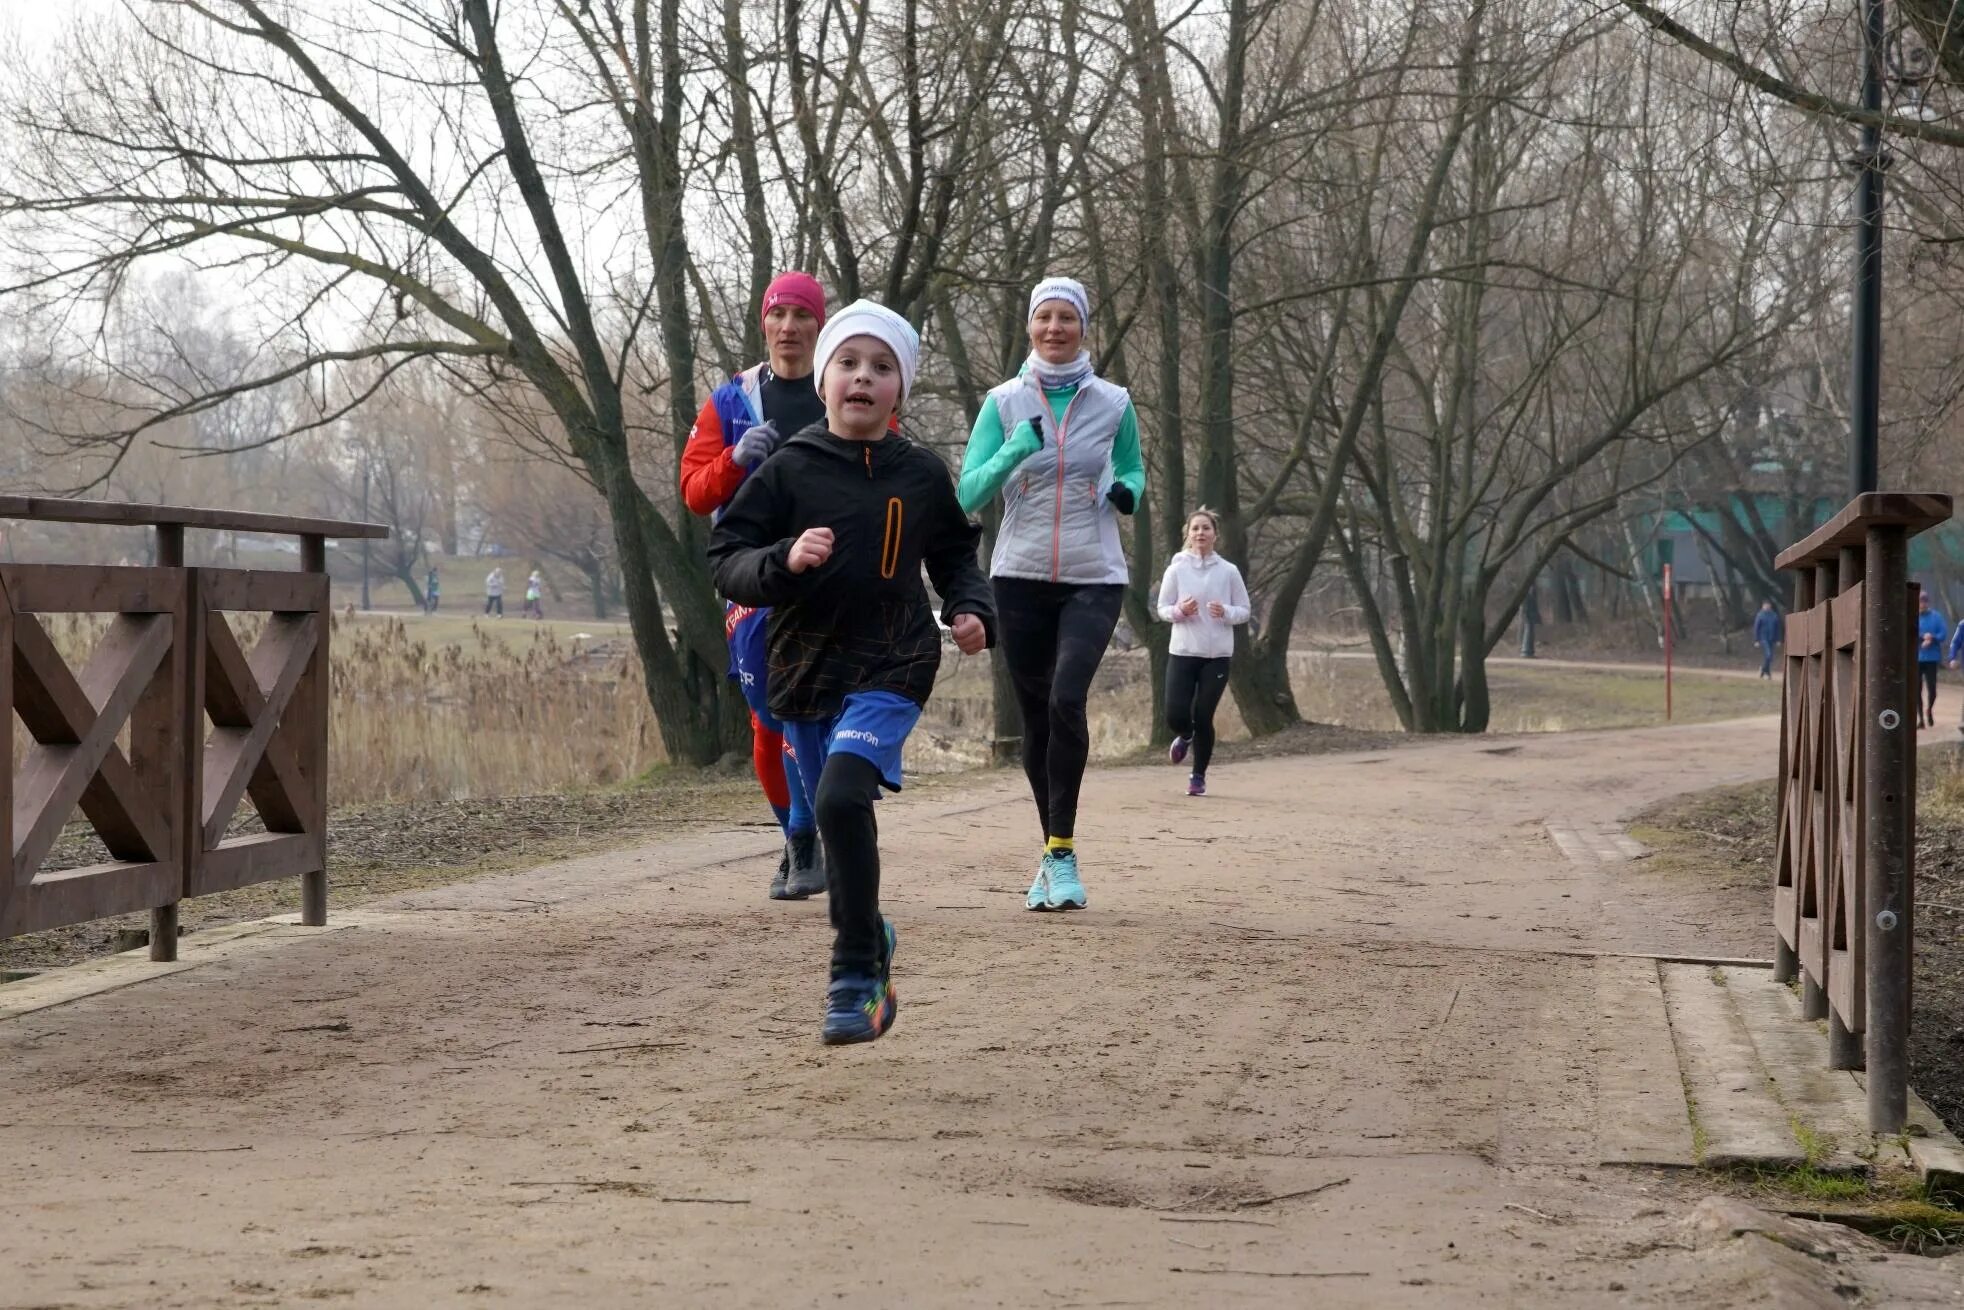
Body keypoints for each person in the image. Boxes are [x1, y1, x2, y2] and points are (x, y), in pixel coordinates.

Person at [709, 300, 995, 1045]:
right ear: (826, 378)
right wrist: (781, 560)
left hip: (892, 660)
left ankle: (853, 971)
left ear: (899, 388)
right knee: (839, 822)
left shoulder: (922, 473)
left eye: (881, 367)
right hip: (803, 668)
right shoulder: (788, 467)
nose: (862, 377)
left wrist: (970, 608)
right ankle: (872, 934)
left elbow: (957, 554)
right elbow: (726, 559)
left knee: (839, 797)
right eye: (849, 364)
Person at [957, 275, 1145, 913]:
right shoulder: (1003, 402)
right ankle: (1054, 850)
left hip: (1095, 577)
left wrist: (1127, 492)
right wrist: (1014, 451)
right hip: (1019, 577)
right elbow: (967, 493)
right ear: (1030, 326)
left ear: (1083, 328)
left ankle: (1060, 851)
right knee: (1036, 717)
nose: (1055, 328)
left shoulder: (1114, 403)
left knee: (1068, 697)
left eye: (1068, 317)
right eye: (1045, 317)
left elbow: (1133, 469)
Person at [681, 272, 831, 900]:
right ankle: (797, 837)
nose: (789, 328)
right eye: (779, 315)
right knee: (769, 722)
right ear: (764, 323)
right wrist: (736, 459)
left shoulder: (845, 386)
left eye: (802, 315)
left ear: (819, 326)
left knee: (824, 710)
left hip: (829, 572)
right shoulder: (732, 399)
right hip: (753, 573)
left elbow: (892, 468)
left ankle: (817, 830)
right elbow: (694, 494)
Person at [1156, 508, 1250, 797]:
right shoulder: (1176, 569)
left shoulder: (1228, 571)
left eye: (1206, 528)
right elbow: (1162, 609)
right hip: (1183, 651)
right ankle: (1185, 736)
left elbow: (1244, 611)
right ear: (1188, 534)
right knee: (1175, 714)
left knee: (1203, 714)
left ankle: (1198, 777)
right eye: (1195, 528)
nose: (1200, 533)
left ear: (1215, 535)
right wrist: (1180, 611)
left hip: (1217, 655)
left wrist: (1226, 612)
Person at [1917, 589, 1947, 728]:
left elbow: (1943, 634)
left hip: (1931, 658)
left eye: (1924, 601)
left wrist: (1932, 637)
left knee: (1932, 689)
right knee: (1917, 689)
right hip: (1916, 658)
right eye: (1920, 601)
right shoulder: (1914, 616)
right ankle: (1921, 719)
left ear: (1927, 602)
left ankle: (1929, 709)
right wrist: (1923, 637)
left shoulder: (1936, 617)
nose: (1922, 603)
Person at [1753, 600, 1783, 678]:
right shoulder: (1760, 615)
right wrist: (1756, 640)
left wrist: (1778, 639)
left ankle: (1764, 671)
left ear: (1770, 606)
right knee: (1769, 655)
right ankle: (1765, 670)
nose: (1767, 607)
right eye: (1765, 605)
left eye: (1768, 605)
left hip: (1771, 639)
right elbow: (1756, 628)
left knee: (1769, 656)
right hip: (1763, 638)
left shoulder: (1774, 615)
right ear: (1763, 606)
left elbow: (1777, 628)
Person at [1519, 584, 1541, 659]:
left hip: (1530, 617)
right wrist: (1526, 616)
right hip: (1528, 617)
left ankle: (1529, 651)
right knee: (1528, 633)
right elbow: (1525, 608)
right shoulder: (1527, 597)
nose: (1532, 590)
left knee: (1530, 633)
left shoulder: (1531, 597)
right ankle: (1526, 651)